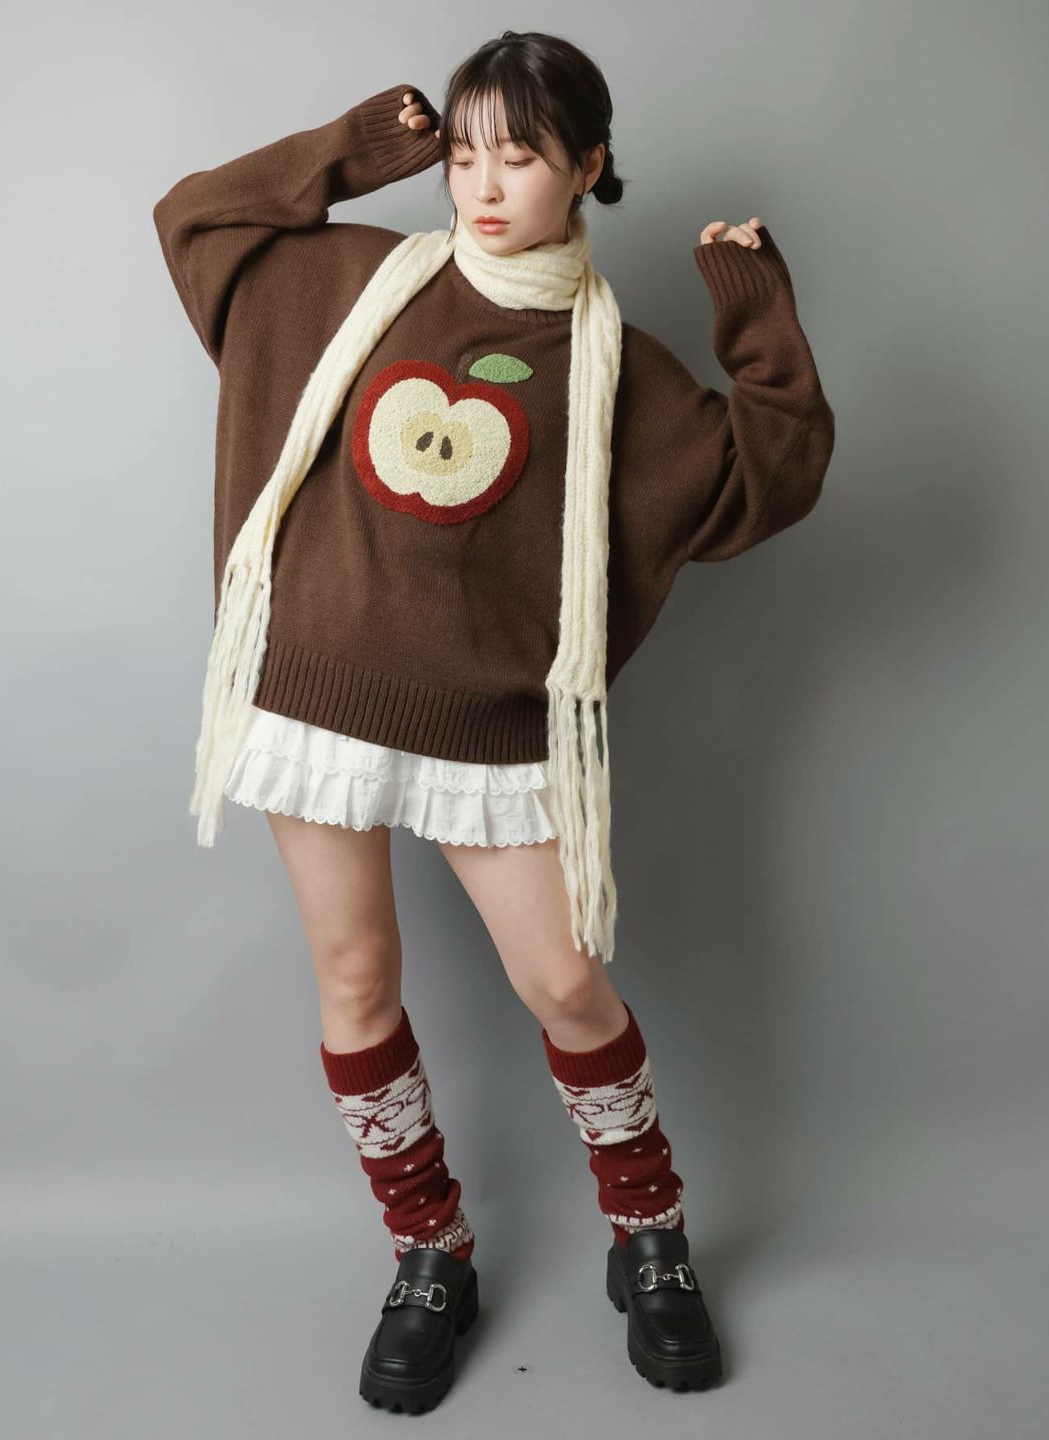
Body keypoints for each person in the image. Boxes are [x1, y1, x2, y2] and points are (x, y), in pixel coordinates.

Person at [152, 28, 834, 1413]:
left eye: (516, 155)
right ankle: (431, 1253)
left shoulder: (616, 369)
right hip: (317, 703)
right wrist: (358, 151)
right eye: (463, 153)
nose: (480, 183)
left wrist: (753, 306)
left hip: (492, 734)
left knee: (569, 984)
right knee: (357, 982)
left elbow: (772, 468)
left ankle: (648, 1233)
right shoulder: (352, 281)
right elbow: (196, 220)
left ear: (587, 166)